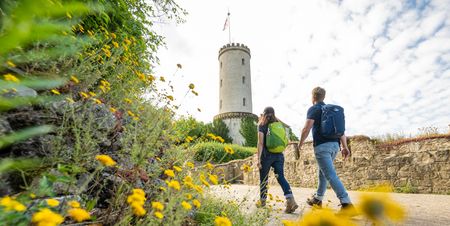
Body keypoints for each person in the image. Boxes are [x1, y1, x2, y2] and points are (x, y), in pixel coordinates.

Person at [296, 87, 354, 211]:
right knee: (322, 173)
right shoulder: (331, 111)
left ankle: (347, 204)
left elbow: (306, 128)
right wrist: (344, 147)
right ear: (323, 97)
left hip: (322, 147)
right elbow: (341, 131)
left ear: (313, 97)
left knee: (330, 175)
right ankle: (317, 199)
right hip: (335, 146)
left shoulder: (314, 109)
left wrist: (300, 144)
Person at [257, 107, 298, 213]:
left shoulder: (262, 125)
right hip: (279, 155)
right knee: (281, 177)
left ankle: (262, 202)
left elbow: (261, 143)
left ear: (264, 114)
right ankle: (291, 200)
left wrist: (258, 159)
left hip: (266, 156)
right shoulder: (278, 124)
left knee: (263, 179)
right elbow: (286, 140)